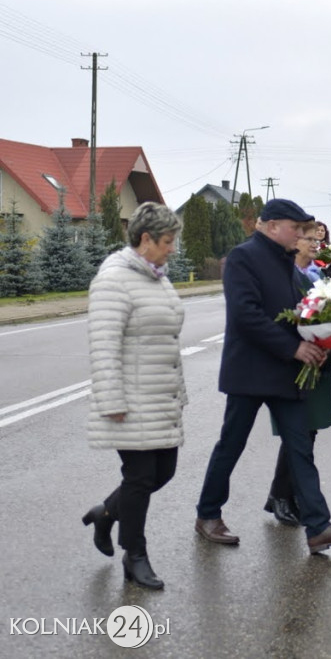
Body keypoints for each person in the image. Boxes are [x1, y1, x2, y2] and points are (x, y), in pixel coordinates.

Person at [195, 199, 331, 555]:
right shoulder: (243, 258)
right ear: (271, 226)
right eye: (297, 229)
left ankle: (318, 527)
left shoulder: (287, 261)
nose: (303, 236)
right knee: (231, 445)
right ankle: (208, 514)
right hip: (250, 371)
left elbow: (298, 314)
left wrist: (319, 339)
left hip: (287, 372)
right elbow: (246, 315)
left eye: (305, 230)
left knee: (300, 447)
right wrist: (294, 349)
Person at [82, 203, 187, 590]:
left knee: (164, 472)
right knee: (140, 477)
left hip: (160, 395)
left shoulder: (156, 276)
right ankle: (135, 555)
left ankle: (107, 513)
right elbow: (103, 346)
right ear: (146, 240)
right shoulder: (114, 280)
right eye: (168, 241)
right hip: (130, 397)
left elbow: (167, 341)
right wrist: (112, 401)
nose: (173, 248)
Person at [264, 222, 331, 527]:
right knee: (296, 434)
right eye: (307, 239)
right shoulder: (284, 277)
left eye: (315, 240)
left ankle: (283, 494)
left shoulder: (318, 275)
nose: (314, 244)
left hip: (319, 363)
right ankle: (282, 496)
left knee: (309, 432)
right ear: (293, 243)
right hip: (296, 364)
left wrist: (330, 344)